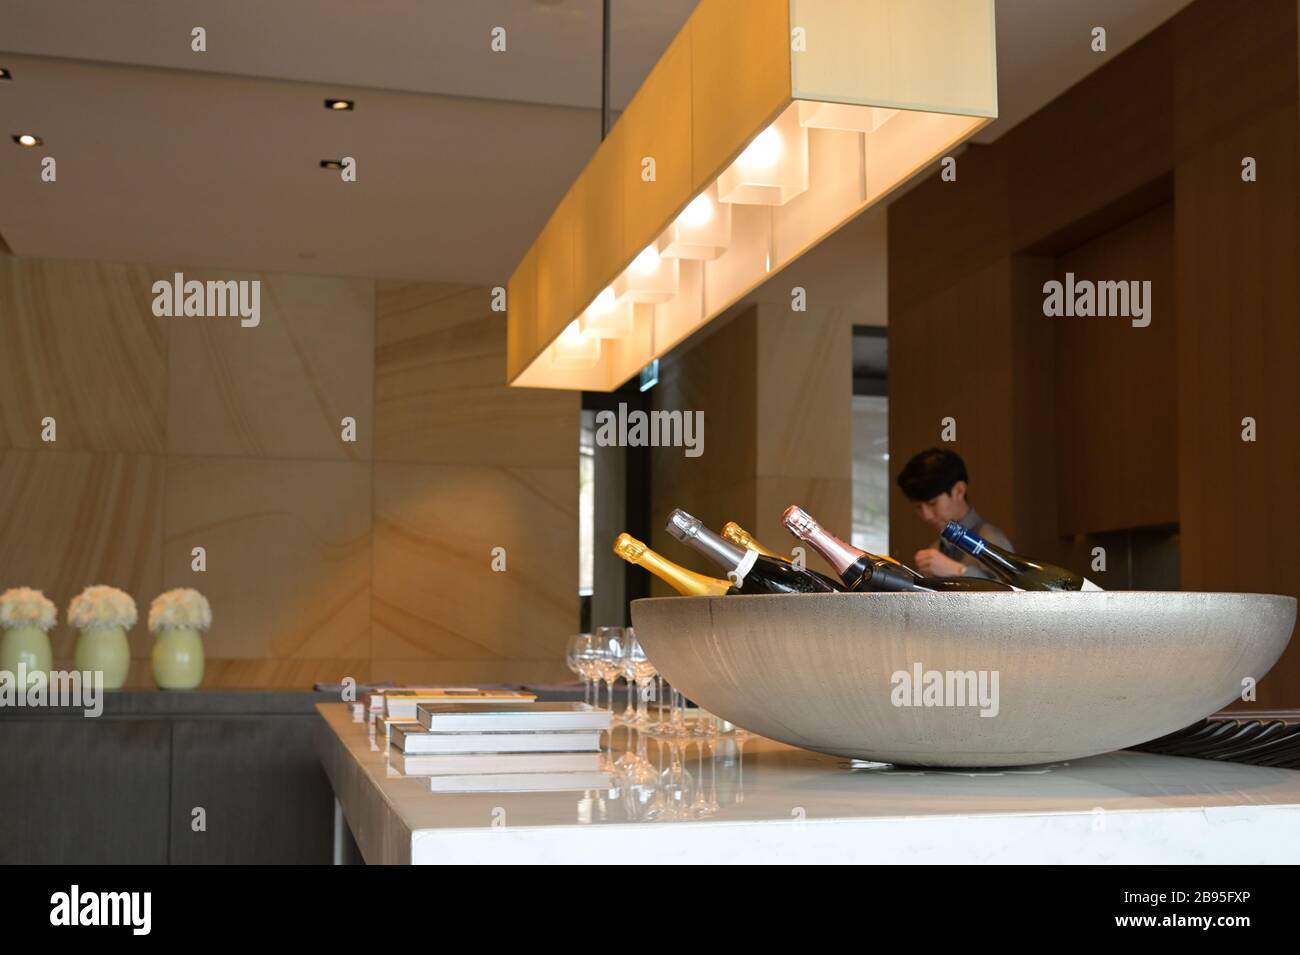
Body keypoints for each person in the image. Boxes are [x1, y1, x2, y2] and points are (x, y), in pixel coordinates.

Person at [896, 448, 1012, 579]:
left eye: (932, 503)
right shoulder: (936, 548)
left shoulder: (991, 540)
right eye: (918, 507)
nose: (926, 515)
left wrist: (958, 570)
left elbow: (1012, 593)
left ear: (959, 491)